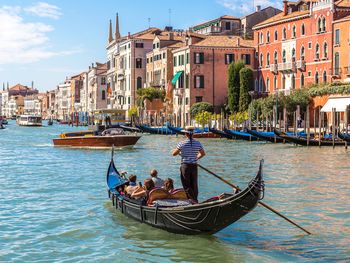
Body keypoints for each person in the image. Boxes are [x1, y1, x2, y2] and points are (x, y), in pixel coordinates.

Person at [172, 126, 206, 203]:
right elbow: (203, 154)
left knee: (186, 185)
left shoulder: (182, 143)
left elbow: (174, 154)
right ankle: (195, 200)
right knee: (194, 184)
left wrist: (178, 151)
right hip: (194, 166)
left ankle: (192, 201)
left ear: (186, 134)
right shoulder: (197, 143)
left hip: (185, 166)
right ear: (193, 134)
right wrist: (196, 158)